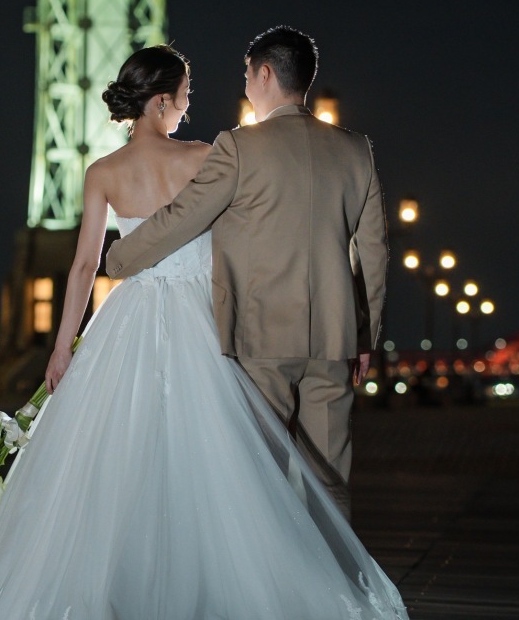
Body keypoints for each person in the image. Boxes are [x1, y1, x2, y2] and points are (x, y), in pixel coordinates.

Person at [0, 45, 471, 620]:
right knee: (248, 470)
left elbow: (94, 261)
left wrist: (68, 339)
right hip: (226, 322)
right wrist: (352, 318)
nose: (193, 105)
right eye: (188, 95)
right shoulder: (225, 154)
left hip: (137, 319)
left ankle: (125, 590)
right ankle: (307, 595)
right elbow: (281, 234)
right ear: (164, 100)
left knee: (119, 459)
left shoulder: (108, 171)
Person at [107, 26, 387, 520]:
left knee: (263, 476)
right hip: (334, 338)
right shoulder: (356, 150)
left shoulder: (239, 148)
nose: (246, 89)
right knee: (331, 479)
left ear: (264, 74)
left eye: (247, 77)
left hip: (260, 336)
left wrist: (121, 259)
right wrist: (365, 337)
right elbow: (374, 255)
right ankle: (337, 588)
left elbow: (181, 218)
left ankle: (276, 589)